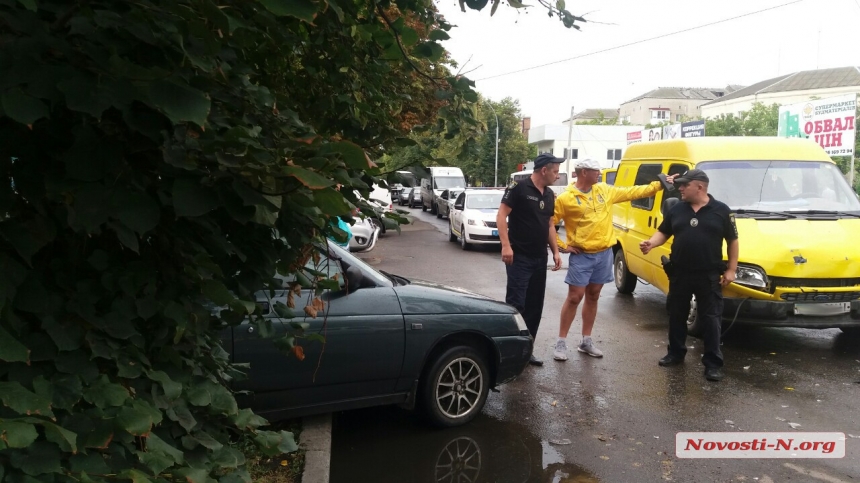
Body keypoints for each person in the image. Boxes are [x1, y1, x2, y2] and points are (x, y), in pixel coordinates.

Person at [552, 159, 671, 361]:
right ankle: (561, 342)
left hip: (604, 252)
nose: (599, 173)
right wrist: (562, 246)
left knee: (594, 295)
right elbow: (550, 223)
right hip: (582, 255)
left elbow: (633, 192)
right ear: (583, 173)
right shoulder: (566, 198)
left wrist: (659, 184)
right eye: (595, 171)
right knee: (575, 297)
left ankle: (586, 341)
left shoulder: (604, 190)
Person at [639, 169, 739, 382]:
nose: (680, 188)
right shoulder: (677, 209)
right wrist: (651, 243)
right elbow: (663, 232)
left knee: (711, 320)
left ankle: (713, 364)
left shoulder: (721, 211)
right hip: (680, 272)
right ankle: (675, 353)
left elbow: (732, 241)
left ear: (699, 186)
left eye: (685, 185)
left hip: (709, 275)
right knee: (676, 314)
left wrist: (731, 269)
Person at [497, 153, 564, 366]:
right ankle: (509, 353)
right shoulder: (518, 189)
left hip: (539, 259)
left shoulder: (549, 194)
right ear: (544, 170)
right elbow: (501, 216)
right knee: (517, 305)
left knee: (535, 307)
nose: (558, 175)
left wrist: (555, 251)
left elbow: (549, 224)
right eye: (555, 170)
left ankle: (526, 351)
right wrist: (506, 246)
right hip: (519, 258)